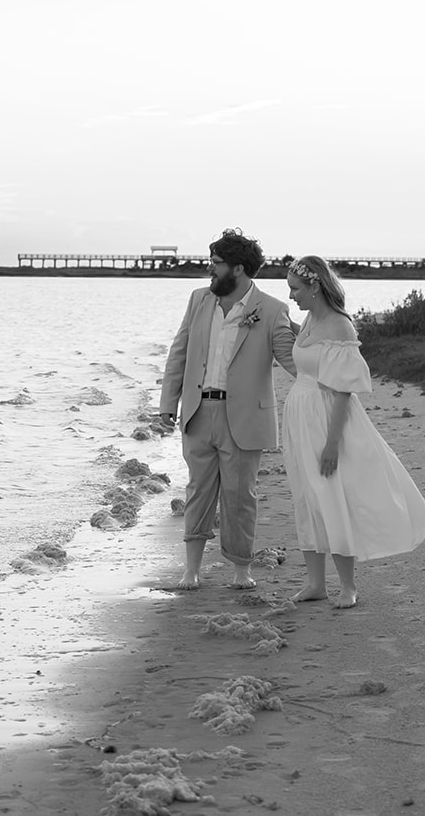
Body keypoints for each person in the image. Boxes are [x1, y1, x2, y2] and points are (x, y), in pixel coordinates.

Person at [283, 255, 425, 608]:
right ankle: (315, 583)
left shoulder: (341, 327)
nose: (291, 295)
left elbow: (342, 391)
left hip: (328, 419)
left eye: (295, 289)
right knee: (306, 499)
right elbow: (309, 353)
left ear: (314, 287)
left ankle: (347, 586)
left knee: (332, 496)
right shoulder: (309, 321)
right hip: (299, 417)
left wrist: (332, 443)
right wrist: (281, 322)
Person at [160, 229, 296, 589]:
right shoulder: (199, 300)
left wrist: (330, 355)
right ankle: (191, 570)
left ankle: (241, 569)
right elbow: (179, 352)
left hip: (246, 417)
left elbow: (291, 359)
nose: (210, 268)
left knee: (239, 497)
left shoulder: (272, 310)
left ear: (238, 269)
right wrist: (168, 403)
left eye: (216, 263)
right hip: (198, 412)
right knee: (198, 491)